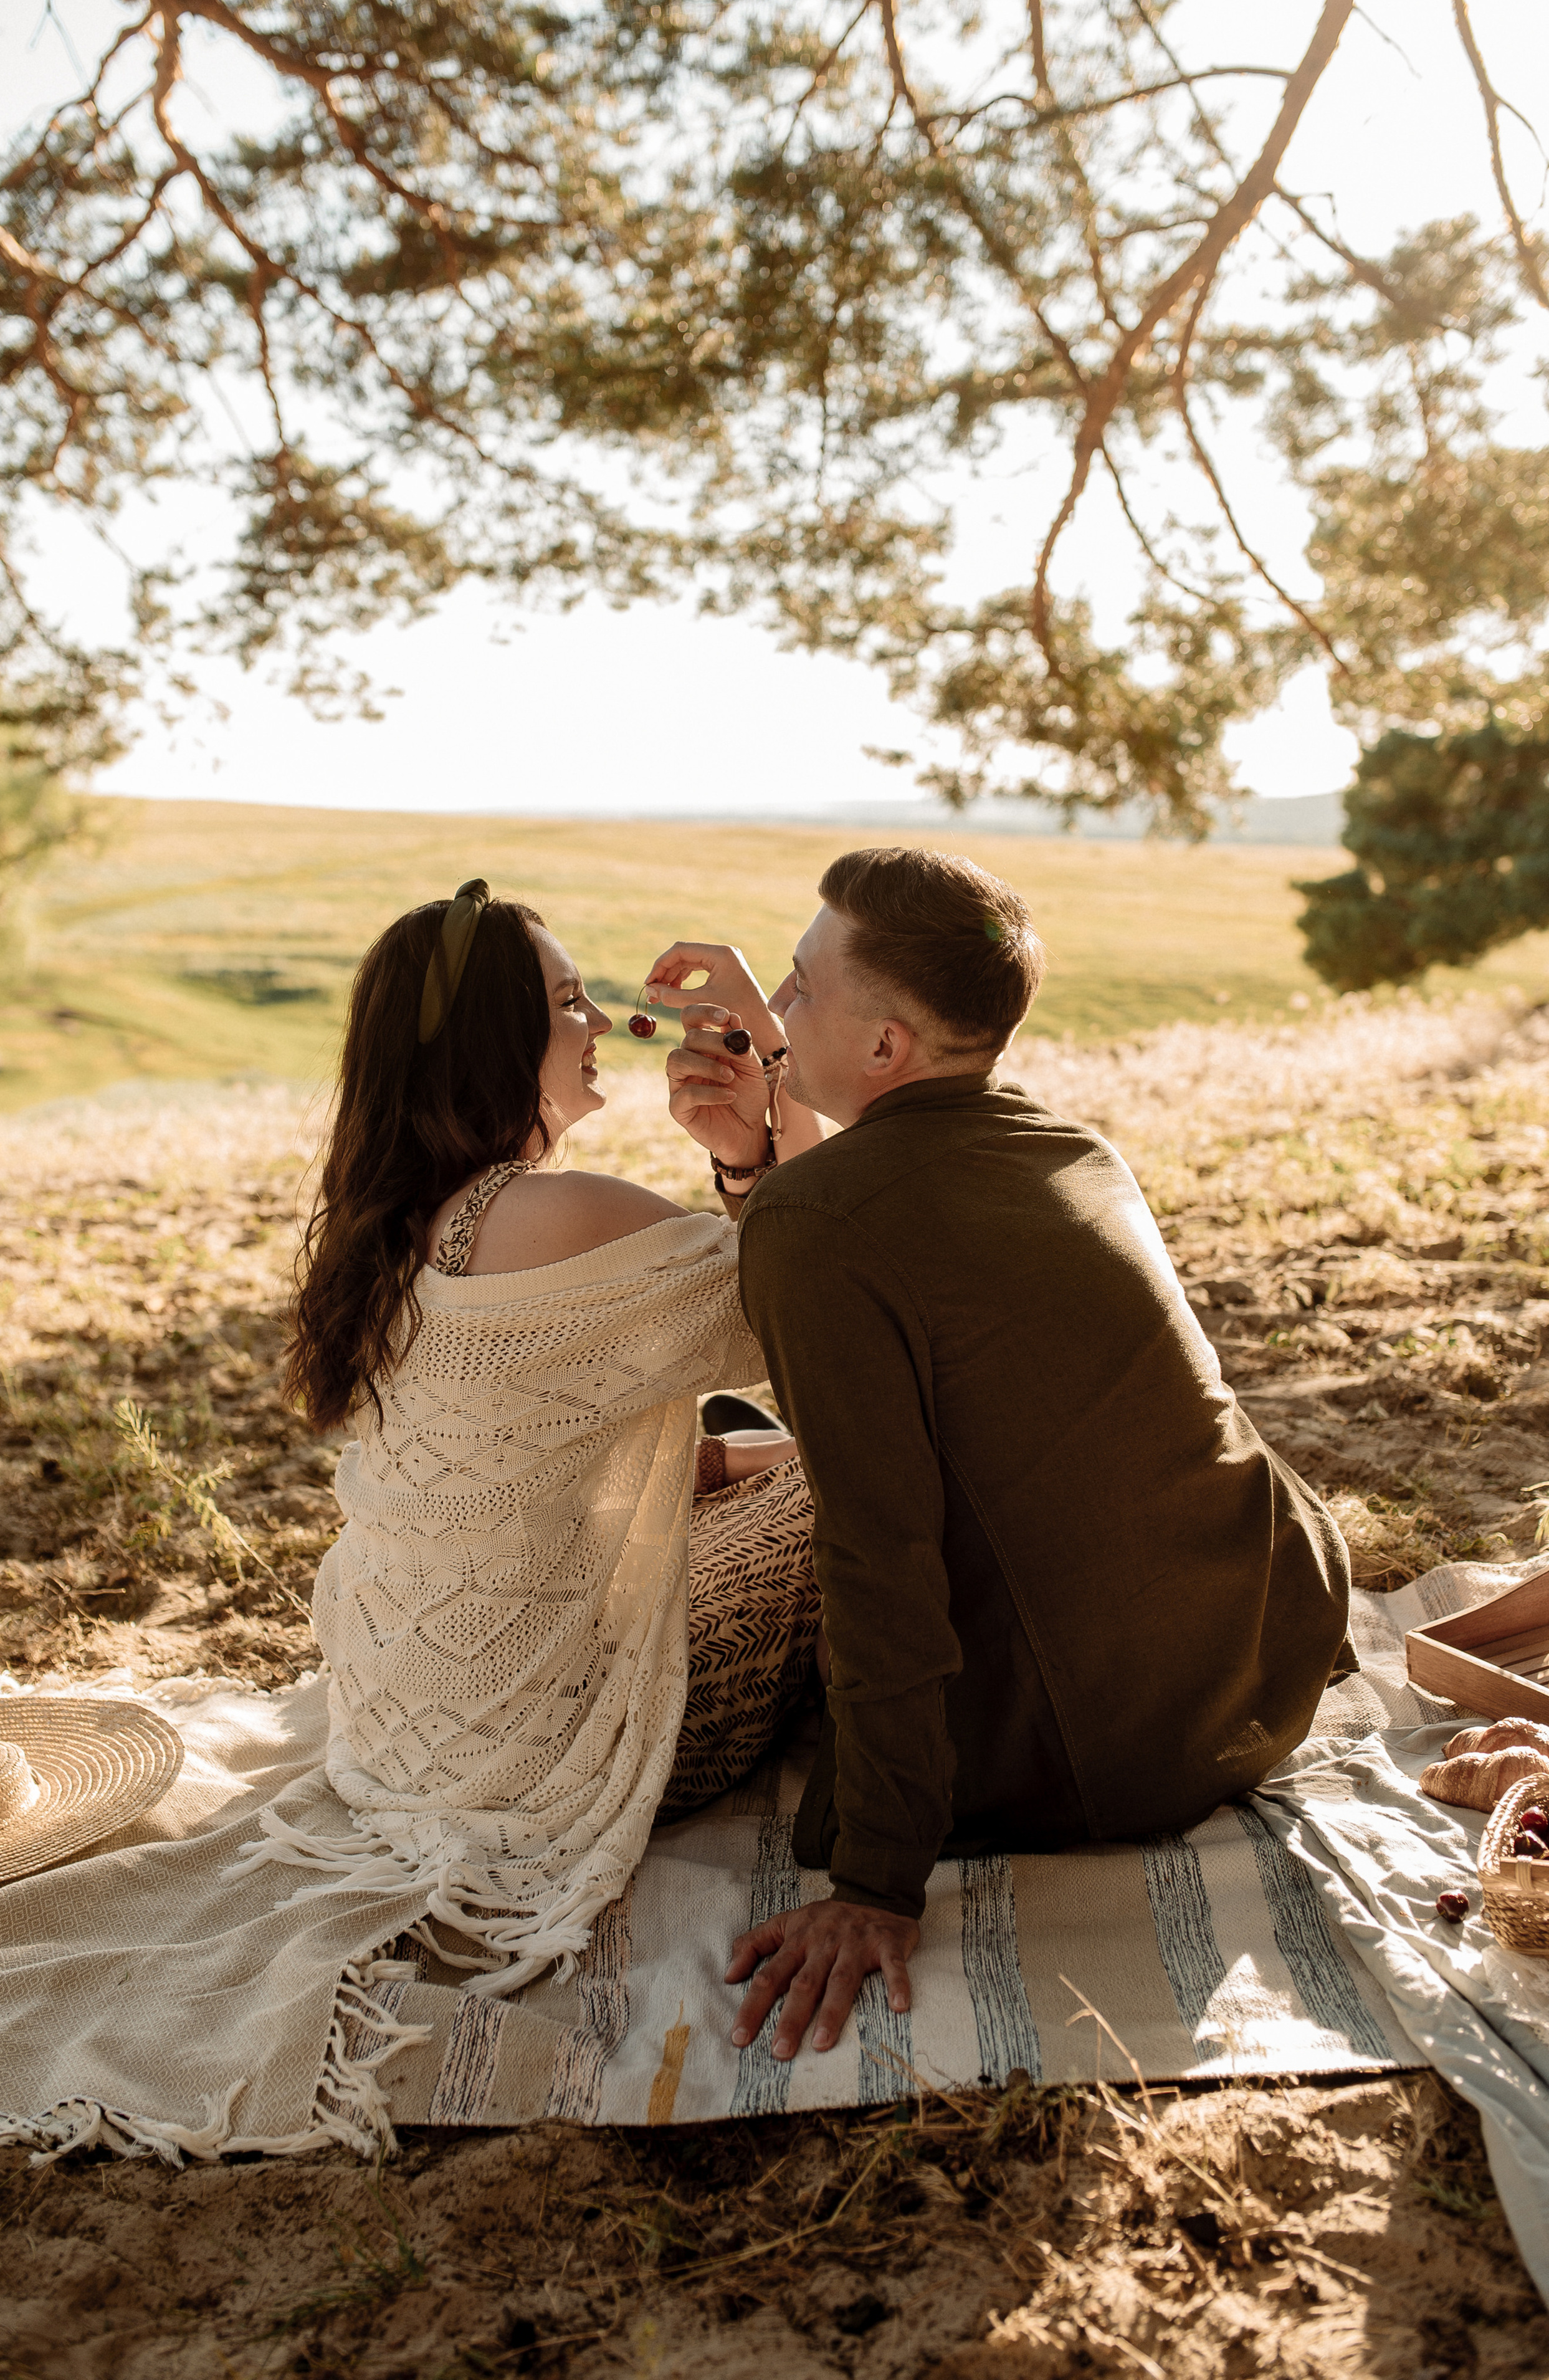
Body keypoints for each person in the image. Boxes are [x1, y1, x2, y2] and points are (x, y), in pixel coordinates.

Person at [649, 848, 1356, 2065]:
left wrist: (876, 1878)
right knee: (751, 1451)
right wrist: (769, 1125)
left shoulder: (817, 1225)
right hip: (1259, 1645)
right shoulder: (1070, 1146)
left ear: (884, 1048)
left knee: (754, 1487)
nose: (779, 1013)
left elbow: (876, 1553)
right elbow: (886, 1242)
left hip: (1120, 1747)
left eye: (799, 989)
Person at [275, 880, 826, 1995]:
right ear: (493, 1040)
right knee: (864, 1479)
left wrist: (740, 1160)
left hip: (395, 1737)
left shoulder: (390, 1226)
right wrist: (772, 1076)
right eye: (569, 1000)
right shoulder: (560, 1214)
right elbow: (832, 1308)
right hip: (538, 1760)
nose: (596, 1024)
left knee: (735, 1452)